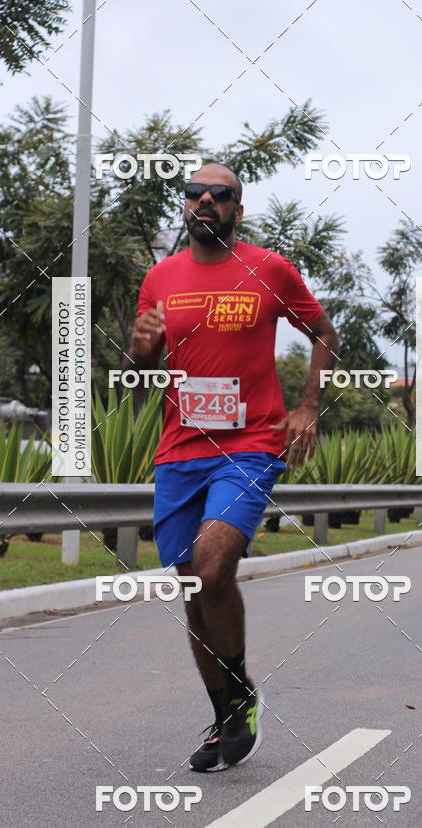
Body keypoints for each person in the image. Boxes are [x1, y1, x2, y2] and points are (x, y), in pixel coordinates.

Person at [126, 163, 338, 770]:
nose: (205, 201)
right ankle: (228, 710)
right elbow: (141, 368)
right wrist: (140, 347)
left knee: (213, 564)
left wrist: (308, 406)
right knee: (194, 588)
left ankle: (240, 690)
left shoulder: (269, 269)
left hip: (249, 443)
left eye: (220, 195)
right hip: (179, 449)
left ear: (237, 210)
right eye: (194, 193)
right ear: (185, 204)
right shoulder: (160, 278)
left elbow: (324, 332)